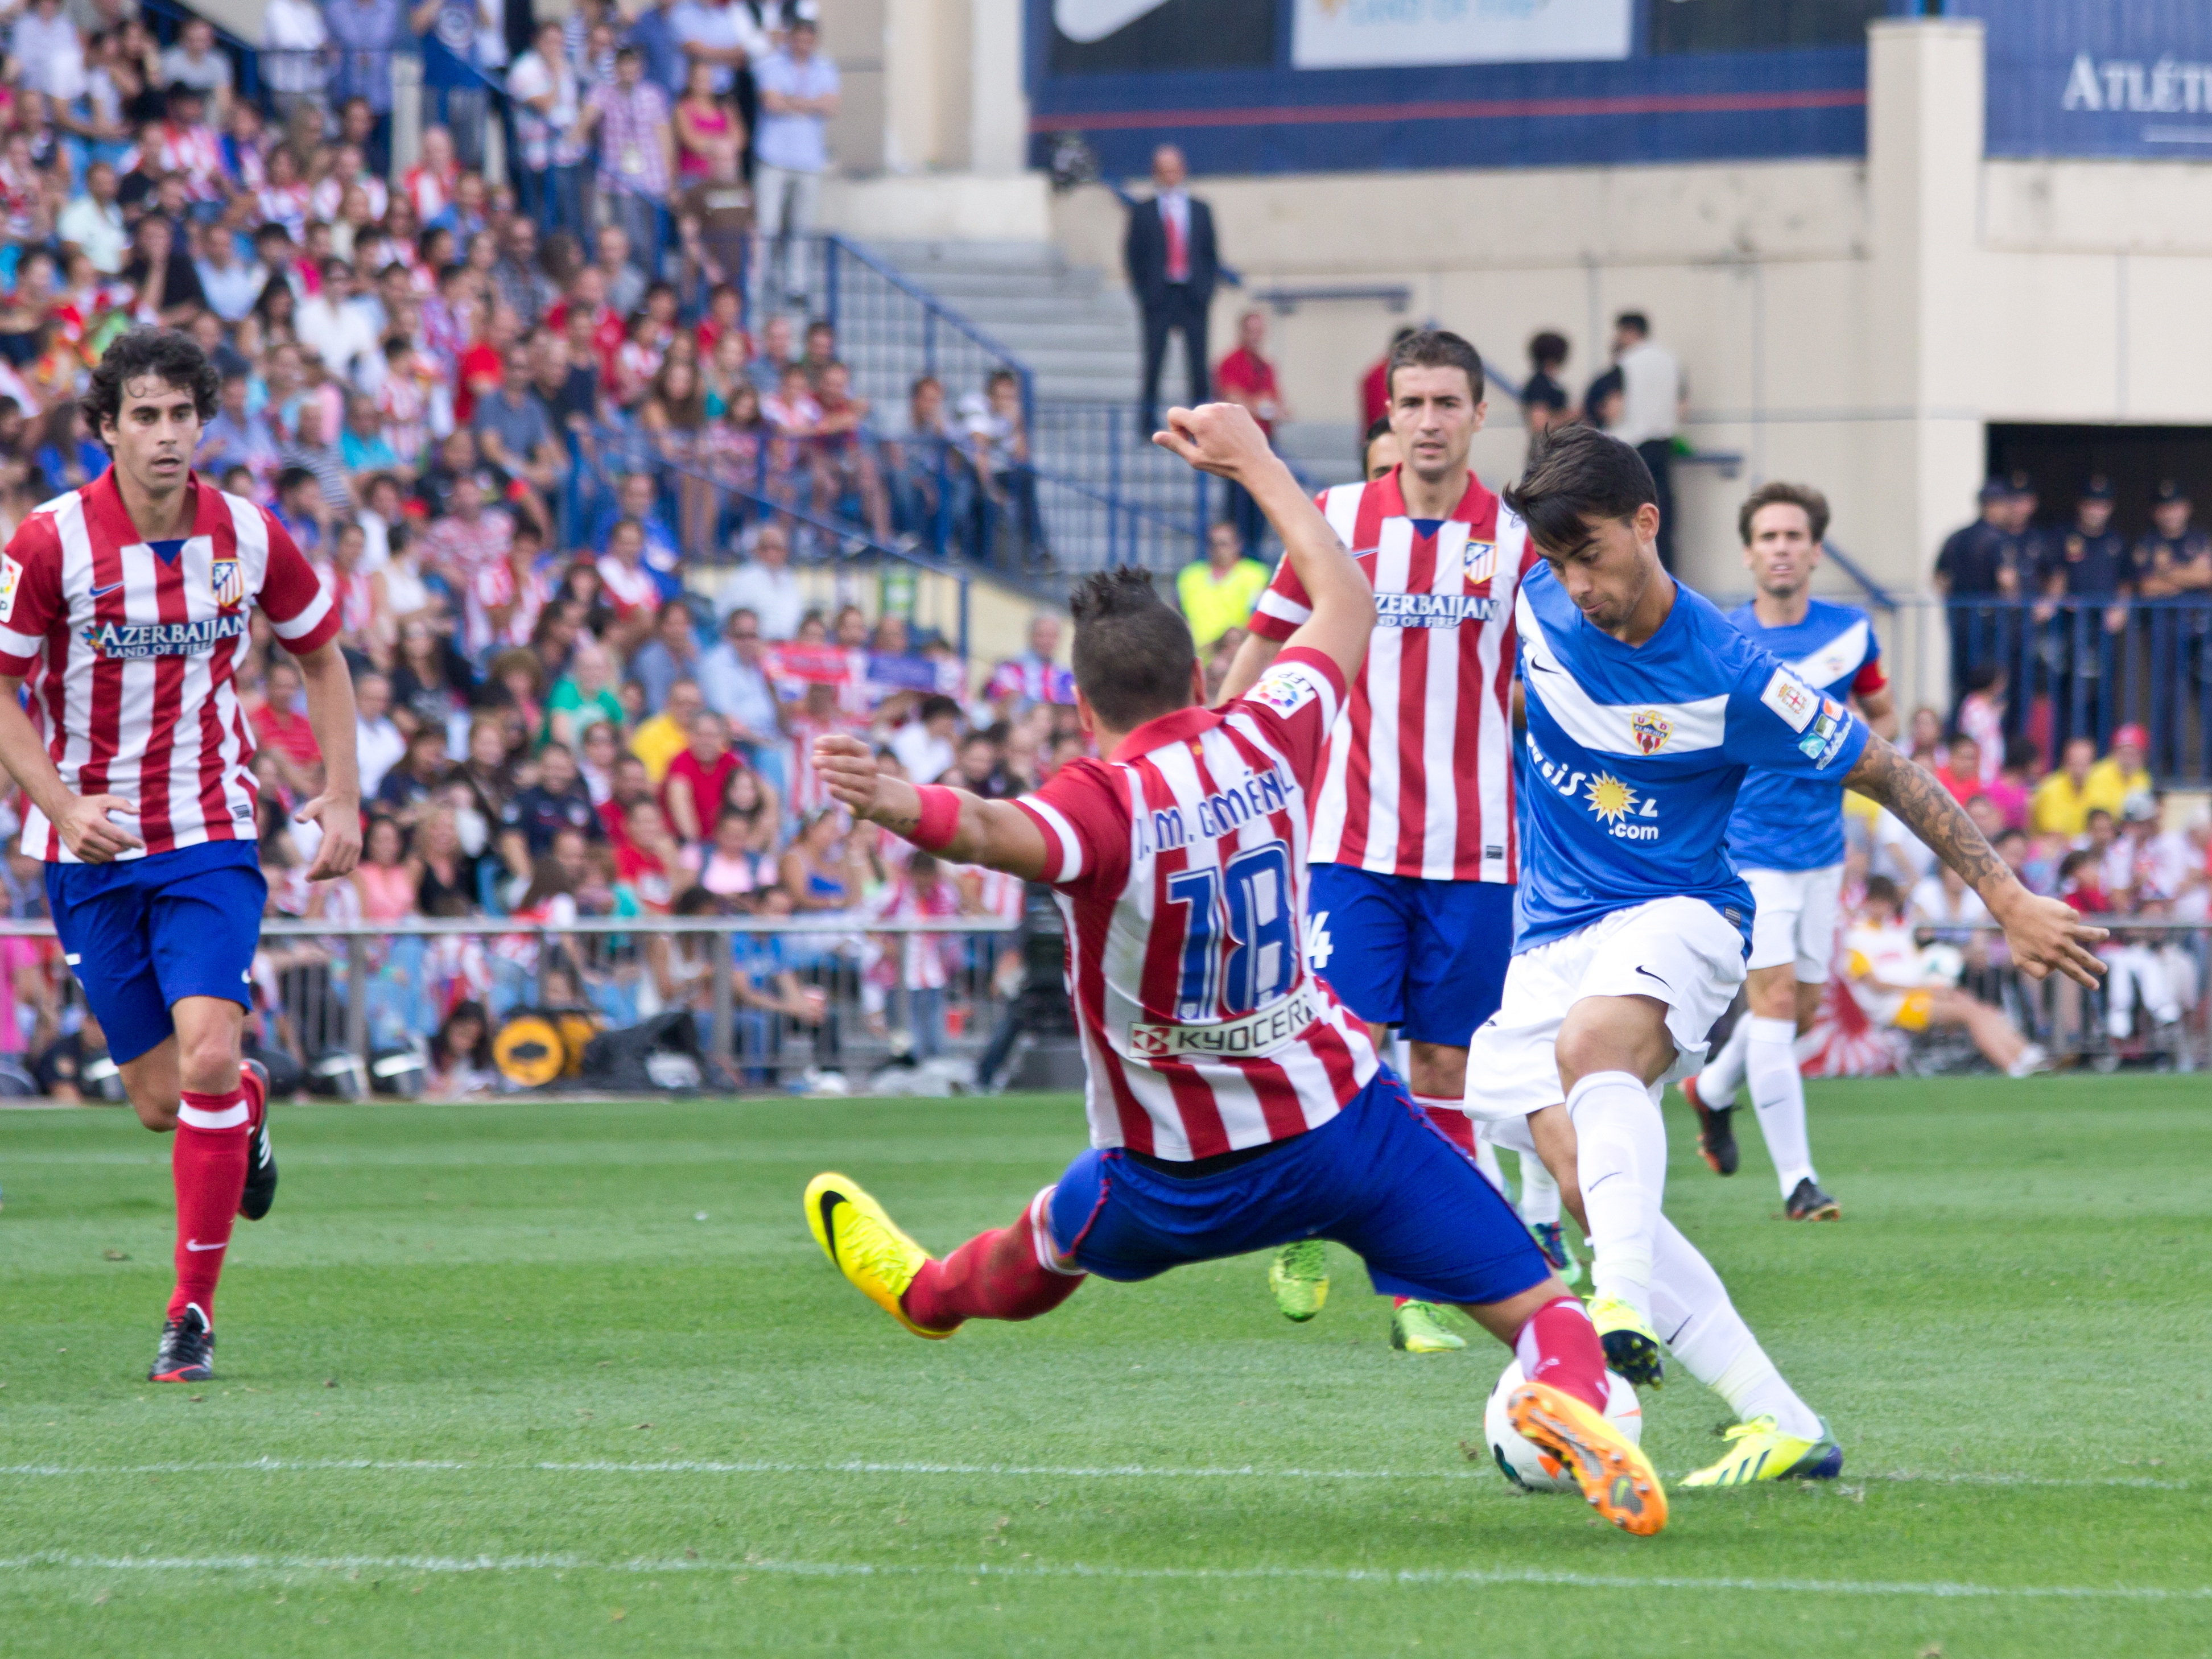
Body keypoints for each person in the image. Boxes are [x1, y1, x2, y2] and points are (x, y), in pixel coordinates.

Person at [803, 399, 1667, 1537]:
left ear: (1081, 701)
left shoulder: (1099, 805)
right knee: (1543, 1308)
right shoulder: (1268, 730)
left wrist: (889, 799)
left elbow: (978, 827)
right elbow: (1346, 600)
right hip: (1342, 1137)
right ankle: (1559, 1396)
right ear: (1198, 676)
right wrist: (1258, 461)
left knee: (1036, 1249)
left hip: (1169, 1174)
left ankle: (924, 1297)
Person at [1459, 422, 2102, 1484]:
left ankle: (1610, 1311)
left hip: (1681, 913)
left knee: (1595, 1053)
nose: (1577, 583)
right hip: (1547, 936)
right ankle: (1779, 1416)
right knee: (1585, 1182)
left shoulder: (1733, 672)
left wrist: (2004, 895)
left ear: (1646, 523)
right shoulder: (1533, 594)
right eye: (1560, 561)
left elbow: (1886, 770)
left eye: (1593, 556)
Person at [0, 329, 362, 1385]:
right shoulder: (48, 544)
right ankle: (240, 1109)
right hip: (90, 850)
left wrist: (339, 793)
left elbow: (322, 657)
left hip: (209, 831)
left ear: (203, 424)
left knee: (202, 1056)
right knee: (166, 1098)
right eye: (143, 416)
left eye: (181, 416)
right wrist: (63, 806)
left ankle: (189, 1315)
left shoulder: (249, 534)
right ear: (106, 429)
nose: (166, 435)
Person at [1222, 330, 1559, 1350]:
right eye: (1407, 403)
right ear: (1388, 417)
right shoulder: (1333, 520)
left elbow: (1554, 676)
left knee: (1445, 1073)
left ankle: (1420, 1287)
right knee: (1339, 1051)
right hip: (1351, 844)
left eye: (1444, 403)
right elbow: (1268, 639)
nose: (1424, 422)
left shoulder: (1516, 542)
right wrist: (1206, 755)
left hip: (1475, 854)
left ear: (1477, 414)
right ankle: (1306, 1226)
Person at [1678, 482, 1897, 1221]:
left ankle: (1710, 1090)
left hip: (1822, 849)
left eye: (1793, 536)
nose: (1780, 547)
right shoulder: (1721, 637)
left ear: (1813, 550)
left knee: (1800, 1013)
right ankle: (1800, 1183)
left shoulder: (1852, 633)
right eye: (1767, 536)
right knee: (1771, 1005)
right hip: (1748, 850)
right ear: (1748, 553)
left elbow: (1883, 716)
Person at [1842, 878, 2051, 1076]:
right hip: (1892, 1006)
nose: (1881, 908)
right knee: (1969, 1013)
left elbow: (1918, 967)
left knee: (1976, 1005)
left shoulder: (1898, 932)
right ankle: (2012, 1064)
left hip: (1918, 994)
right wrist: (1926, 989)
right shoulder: (1855, 937)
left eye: (1886, 902)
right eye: (1876, 901)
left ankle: (2024, 1054)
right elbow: (1875, 985)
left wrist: (1937, 987)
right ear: (1866, 902)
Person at [1124, 145, 1217, 434]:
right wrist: (1145, 293)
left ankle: (1201, 426)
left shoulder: (1201, 210)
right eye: (1164, 170)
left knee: (1198, 366)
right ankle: (1146, 423)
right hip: (1160, 295)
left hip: (1192, 295)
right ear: (1156, 173)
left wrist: (1205, 290)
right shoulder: (1144, 211)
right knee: (1153, 362)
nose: (1170, 176)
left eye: (1174, 169)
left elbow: (1210, 254)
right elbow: (1133, 255)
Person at [749, 16, 839, 313]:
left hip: (808, 159)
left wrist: (793, 102)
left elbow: (831, 106)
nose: (803, 45)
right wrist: (809, 104)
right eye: (798, 38)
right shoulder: (772, 64)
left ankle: (796, 285)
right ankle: (757, 283)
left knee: (801, 228)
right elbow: (771, 102)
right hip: (774, 157)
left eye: (808, 39)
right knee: (767, 225)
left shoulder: (826, 67)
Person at [1933, 472, 2034, 717]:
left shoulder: (1956, 537)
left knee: (1961, 685)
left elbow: (1940, 579)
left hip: (1962, 622)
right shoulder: (1999, 540)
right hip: (1991, 626)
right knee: (1992, 688)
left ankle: (1960, 736)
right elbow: (2006, 581)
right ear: (1994, 506)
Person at [581, 46, 676, 276]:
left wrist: (671, 180)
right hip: (620, 182)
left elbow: (665, 137)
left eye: (633, 65)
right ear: (616, 68)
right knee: (631, 241)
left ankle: (651, 288)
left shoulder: (653, 95)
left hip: (653, 180)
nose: (629, 71)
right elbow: (585, 120)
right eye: (624, 65)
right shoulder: (603, 93)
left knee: (653, 243)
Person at [1602, 312, 1683, 573]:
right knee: (1664, 515)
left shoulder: (1625, 363)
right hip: (1664, 443)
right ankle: (1668, 572)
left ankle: (1638, 572)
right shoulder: (1671, 360)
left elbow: (1615, 409)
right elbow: (1682, 406)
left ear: (1628, 331)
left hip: (1634, 447)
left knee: (1634, 516)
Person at [1211, 309, 1284, 552]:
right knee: (1239, 509)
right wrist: (1261, 406)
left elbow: (1281, 407)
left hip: (1263, 444)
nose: (1256, 336)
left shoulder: (1266, 366)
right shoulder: (1230, 361)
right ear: (1241, 332)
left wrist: (1257, 406)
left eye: (1259, 331)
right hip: (1238, 446)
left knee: (1261, 510)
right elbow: (1233, 399)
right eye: (1251, 331)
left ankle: (1253, 557)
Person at [1175, 518, 1269, 655]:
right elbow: (1178, 613)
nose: (1218, 549)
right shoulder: (1189, 576)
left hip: (1236, 655)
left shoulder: (1257, 575)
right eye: (1213, 544)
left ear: (1238, 545)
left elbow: (1261, 621)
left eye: (1223, 544)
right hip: (1198, 657)